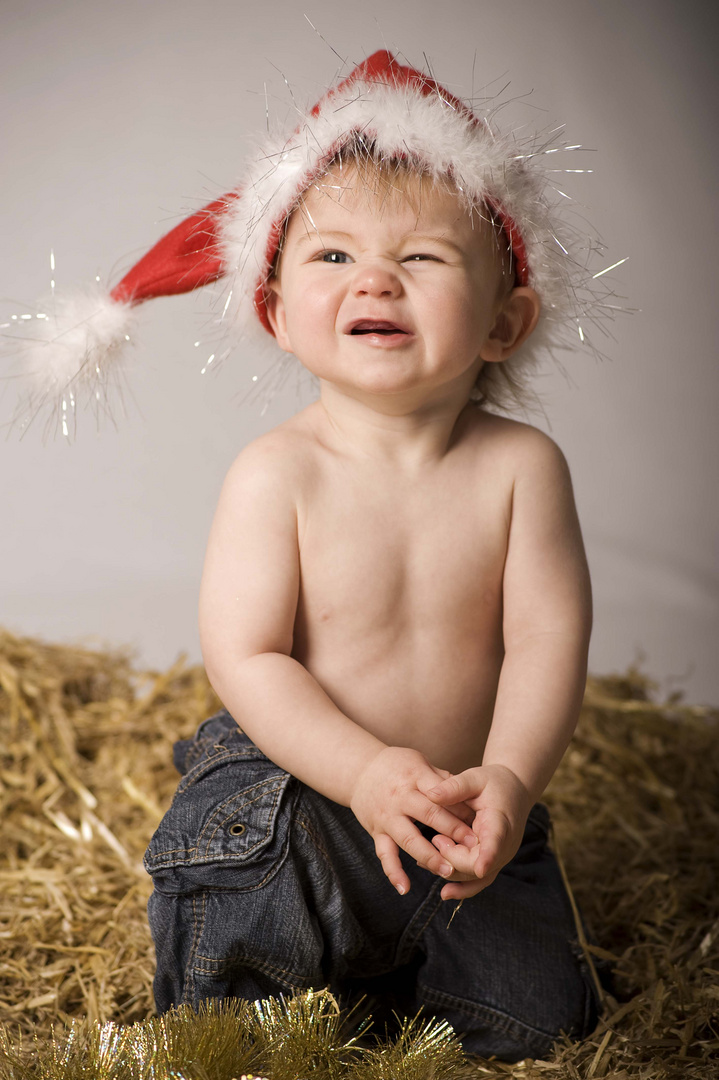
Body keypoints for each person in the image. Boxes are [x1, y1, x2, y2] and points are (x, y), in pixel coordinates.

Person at [139, 51, 610, 1061]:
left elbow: (542, 643)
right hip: (300, 796)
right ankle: (263, 1000)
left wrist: (510, 783)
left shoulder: (521, 468)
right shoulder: (278, 475)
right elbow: (248, 658)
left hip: (456, 808)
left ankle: (385, 978)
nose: (377, 278)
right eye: (332, 257)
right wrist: (358, 771)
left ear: (503, 321)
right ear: (273, 310)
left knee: (536, 1020)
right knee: (248, 933)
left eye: (424, 258)